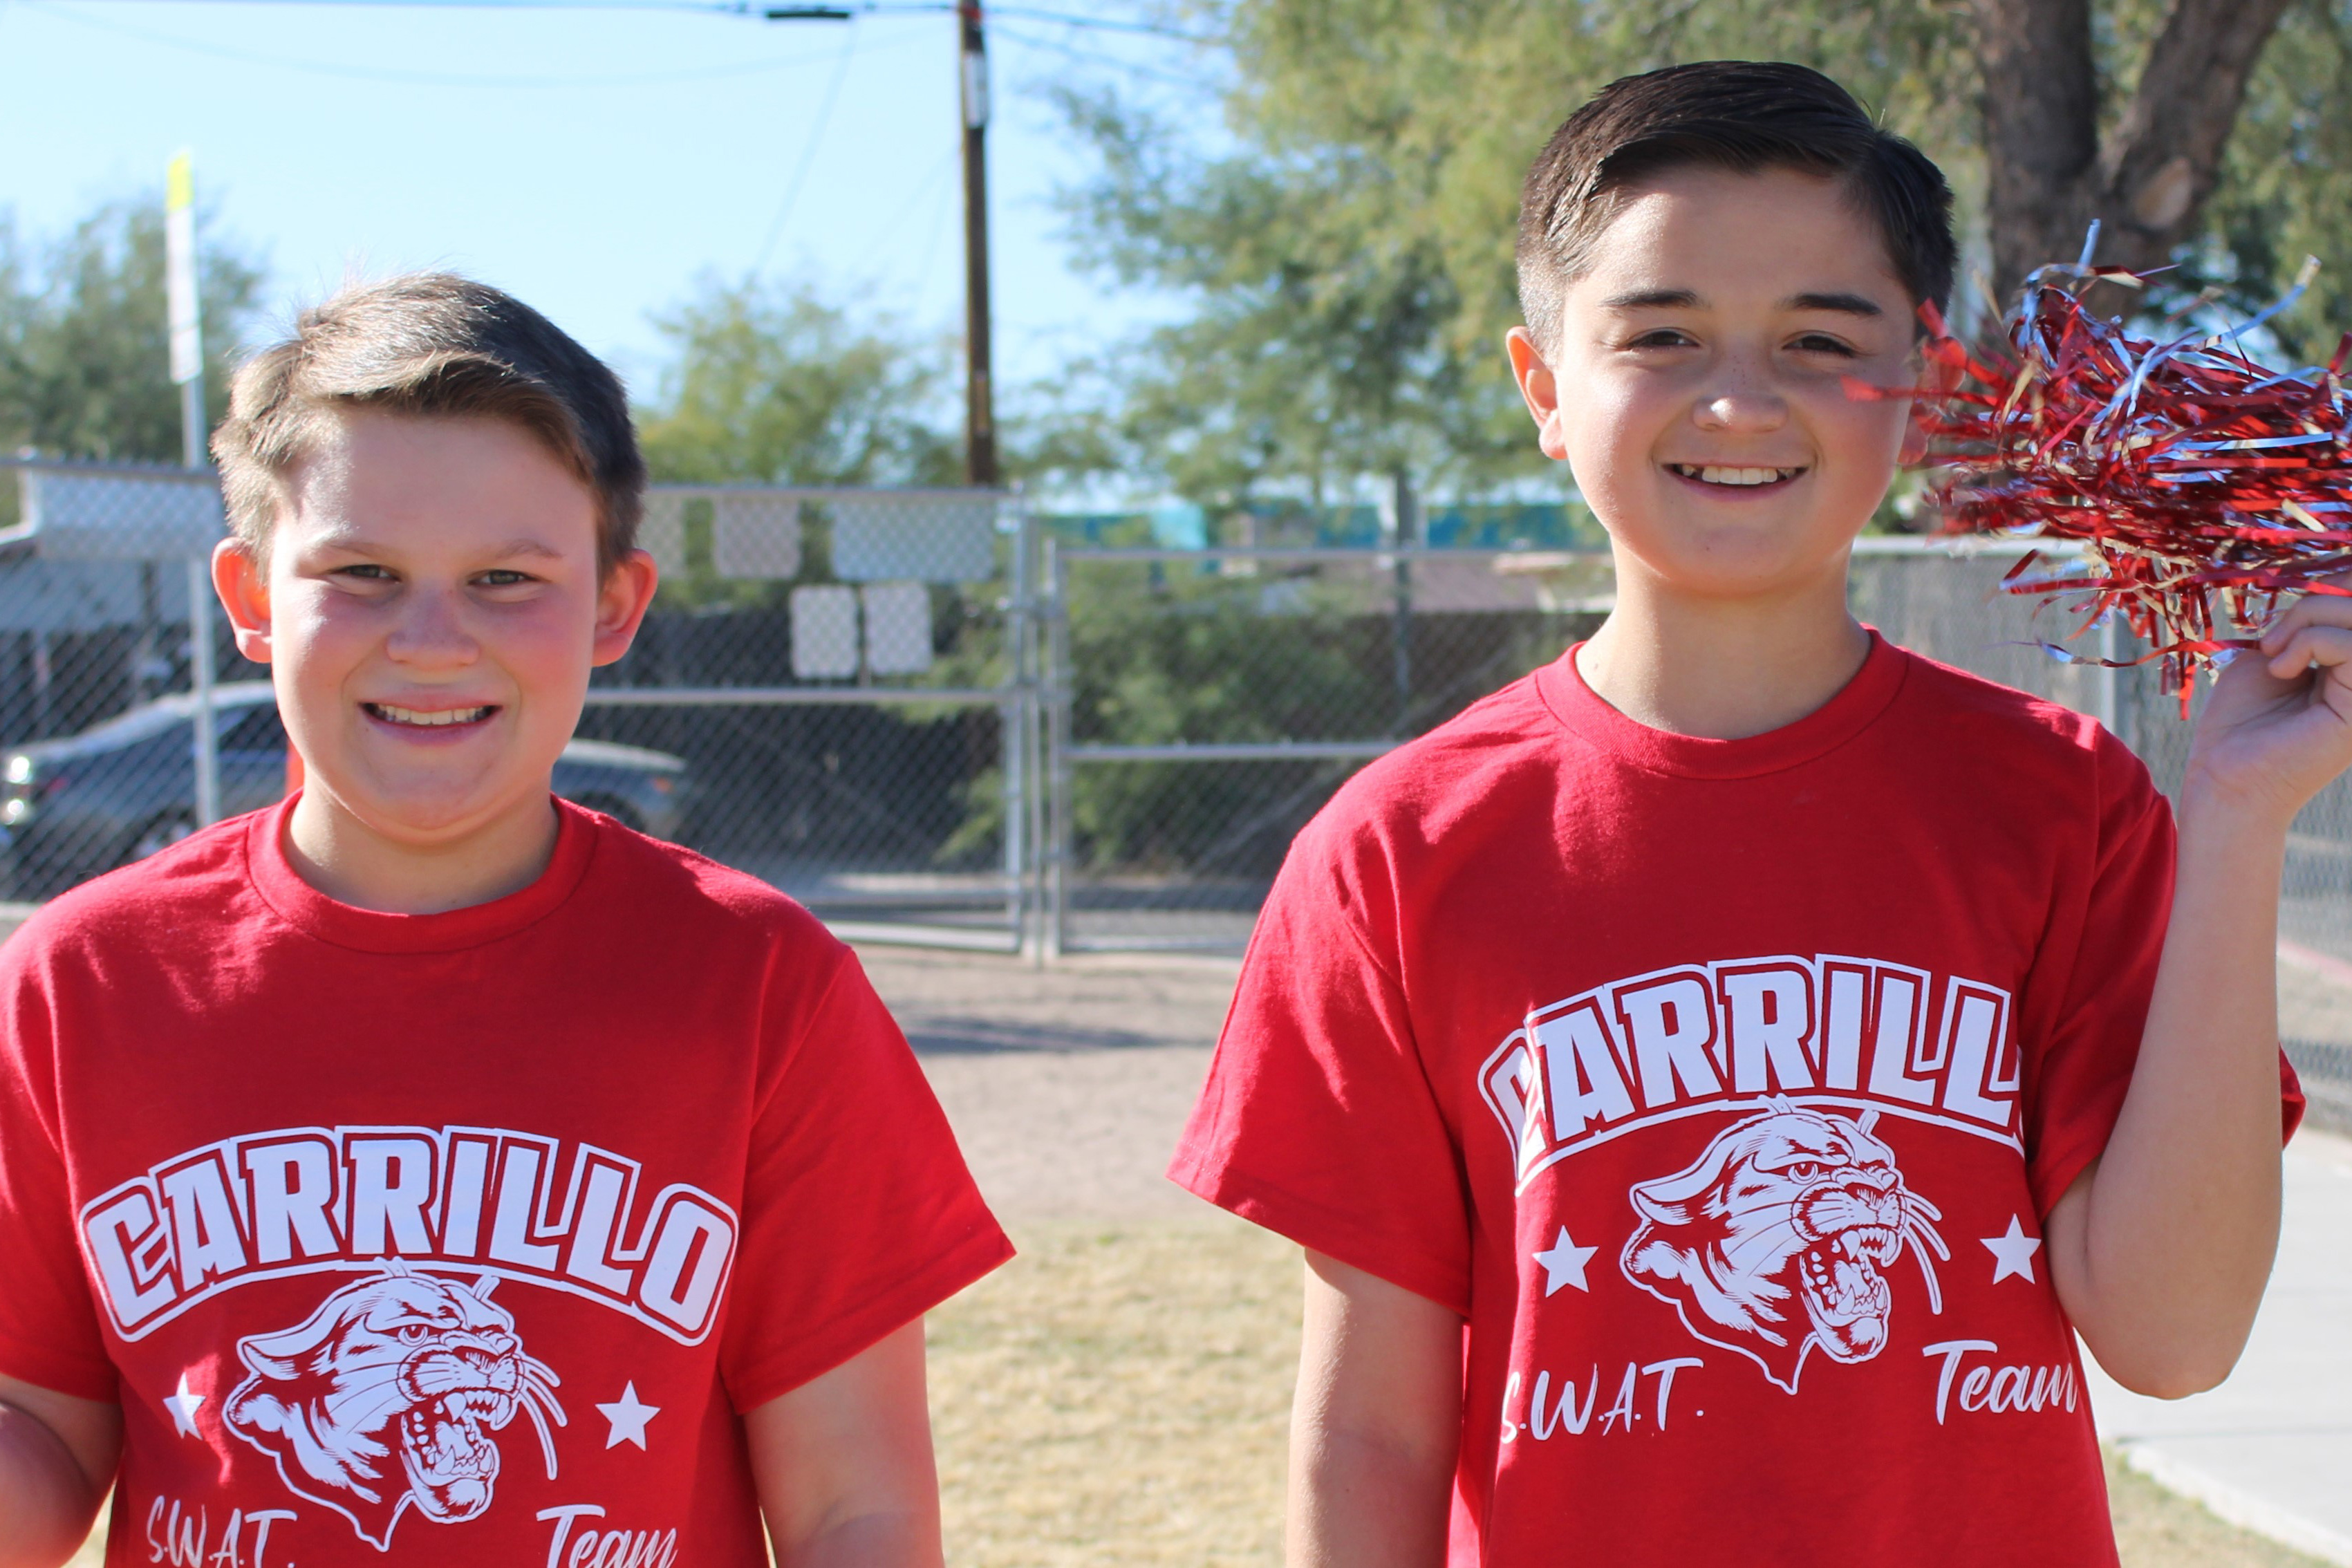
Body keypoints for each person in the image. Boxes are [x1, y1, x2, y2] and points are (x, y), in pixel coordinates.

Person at [1170, 61, 2319, 1567]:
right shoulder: (1399, 852)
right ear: (1542, 387)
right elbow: (1373, 1427)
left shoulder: (2068, 804)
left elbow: (2173, 1339)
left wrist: (2239, 815)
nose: (1739, 398)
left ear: (1916, 378)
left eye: (1817, 340)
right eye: (1663, 337)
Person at [0, 274, 1009, 1567]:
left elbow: (851, 1502)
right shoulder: (82, 981)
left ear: (613, 606)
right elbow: (37, 1416)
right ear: (252, 599)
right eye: (361, 571)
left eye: (503, 578)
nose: (432, 638)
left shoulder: (759, 984)